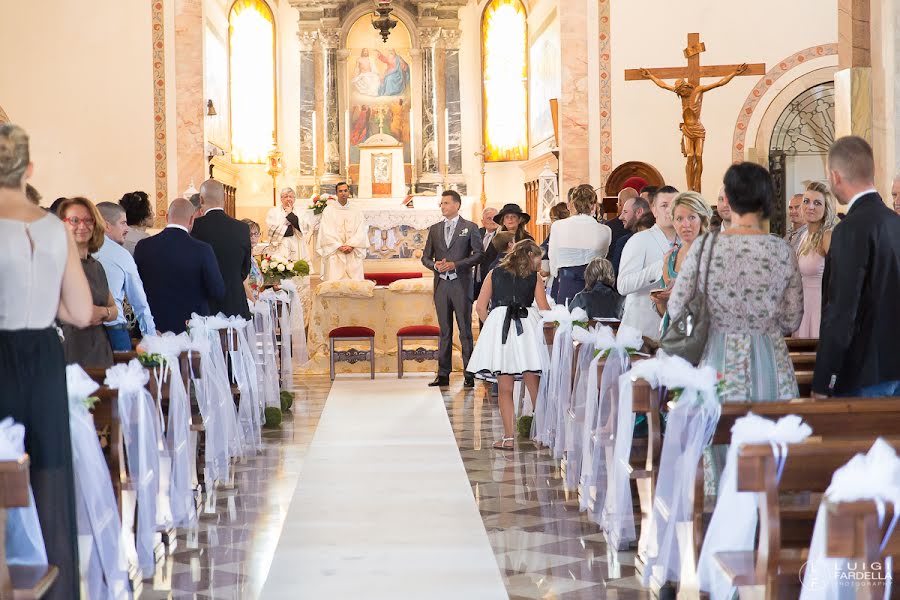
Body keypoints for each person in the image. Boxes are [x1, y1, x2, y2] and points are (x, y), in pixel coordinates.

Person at [0, 123, 93, 600]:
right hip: (41, 355)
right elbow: (78, 312)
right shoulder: (54, 228)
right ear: (29, 169)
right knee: (47, 472)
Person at [668, 163, 802, 401]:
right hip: (771, 360)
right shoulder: (781, 249)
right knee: (767, 434)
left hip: (718, 360)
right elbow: (792, 318)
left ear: (728, 198)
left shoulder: (705, 246)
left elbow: (677, 307)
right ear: (766, 199)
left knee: (721, 432)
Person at [813, 136, 900, 398]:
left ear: (835, 176)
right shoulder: (894, 223)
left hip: (865, 374)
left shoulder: (849, 229)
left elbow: (841, 311)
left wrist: (822, 380)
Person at [467, 240, 550, 449]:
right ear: (530, 255)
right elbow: (544, 308)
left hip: (500, 328)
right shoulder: (534, 276)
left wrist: (492, 326)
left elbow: (480, 307)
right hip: (526, 328)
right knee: (534, 383)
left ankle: (508, 438)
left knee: (504, 387)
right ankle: (542, 435)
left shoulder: (494, 273)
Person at [421, 190, 483, 388]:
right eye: (441, 203)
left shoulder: (470, 227)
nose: (443, 206)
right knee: (445, 331)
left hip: (461, 284)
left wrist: (456, 264)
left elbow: (478, 255)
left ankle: (469, 373)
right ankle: (443, 374)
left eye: (446, 203)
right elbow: (425, 257)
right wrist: (435, 266)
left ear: (457, 205)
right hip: (441, 286)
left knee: (465, 330)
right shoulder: (435, 229)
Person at [135, 198, 225, 334]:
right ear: (191, 219)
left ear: (166, 217)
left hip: (154, 327)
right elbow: (218, 291)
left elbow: (136, 287)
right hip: (191, 328)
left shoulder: (143, 246)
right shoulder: (202, 250)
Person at [56, 197, 117, 368]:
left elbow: (114, 310)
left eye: (88, 220)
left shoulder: (96, 266)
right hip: (69, 349)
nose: (82, 226)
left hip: (99, 348)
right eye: (74, 220)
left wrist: (103, 312)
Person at [617, 185, 678, 340]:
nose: (670, 210)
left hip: (674, 331)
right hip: (641, 330)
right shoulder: (640, 240)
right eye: (664, 205)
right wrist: (660, 268)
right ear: (654, 209)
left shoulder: (687, 242)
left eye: (676, 205)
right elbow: (623, 285)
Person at [94, 202, 156, 349]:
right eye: (123, 223)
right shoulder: (121, 255)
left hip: (82, 332)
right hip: (114, 329)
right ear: (106, 226)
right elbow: (139, 302)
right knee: (120, 371)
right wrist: (151, 337)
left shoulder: (80, 250)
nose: (127, 228)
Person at [651, 191, 713, 333]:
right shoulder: (671, 258)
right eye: (679, 218)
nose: (686, 224)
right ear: (673, 221)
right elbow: (664, 313)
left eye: (691, 217)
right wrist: (661, 300)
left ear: (702, 219)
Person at [191, 179, 252, 319]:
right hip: (235, 304)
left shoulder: (195, 227)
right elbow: (245, 269)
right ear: (224, 199)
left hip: (204, 305)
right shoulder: (242, 228)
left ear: (201, 199)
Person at [549, 184, 611, 305]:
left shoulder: (558, 226)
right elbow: (603, 257)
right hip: (595, 286)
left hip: (566, 283)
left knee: (566, 320)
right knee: (593, 322)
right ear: (593, 206)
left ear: (572, 204)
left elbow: (553, 260)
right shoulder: (605, 230)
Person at [793, 182, 837, 338]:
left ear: (826, 209)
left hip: (820, 308)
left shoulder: (827, 236)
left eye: (817, 203)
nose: (810, 207)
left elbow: (838, 279)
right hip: (803, 307)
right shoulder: (803, 236)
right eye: (806, 201)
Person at [317, 182, 368, 281]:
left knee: (354, 286)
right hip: (335, 250)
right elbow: (326, 231)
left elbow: (361, 230)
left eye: (345, 190)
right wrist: (339, 246)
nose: (343, 193)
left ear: (349, 192)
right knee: (334, 284)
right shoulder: (329, 210)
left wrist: (351, 245)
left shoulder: (356, 210)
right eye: (340, 191)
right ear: (336, 193)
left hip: (353, 250)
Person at [480, 203, 534, 279]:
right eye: (507, 217)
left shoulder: (527, 239)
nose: (510, 219)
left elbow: (532, 262)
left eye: (513, 216)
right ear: (503, 221)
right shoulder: (497, 239)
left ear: (519, 220)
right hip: (500, 279)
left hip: (522, 278)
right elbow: (489, 263)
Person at [610, 196, 651, 274]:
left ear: (639, 212)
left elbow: (615, 276)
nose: (620, 217)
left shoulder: (624, 242)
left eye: (625, 212)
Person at [265, 187, 307, 262]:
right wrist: (291, 229)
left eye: (290, 196)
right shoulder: (273, 212)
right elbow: (272, 228)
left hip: (297, 245)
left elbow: (303, 228)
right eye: (285, 197)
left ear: (294, 199)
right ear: (281, 199)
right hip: (280, 246)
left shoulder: (301, 212)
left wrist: (291, 215)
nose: (288, 199)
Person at [474, 206, 499, 300]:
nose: (493, 221)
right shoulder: (477, 233)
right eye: (489, 218)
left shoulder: (502, 235)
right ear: (482, 221)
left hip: (493, 278)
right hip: (477, 276)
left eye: (495, 218)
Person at [119, 190, 154, 254]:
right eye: (151, 210)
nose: (153, 214)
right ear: (144, 216)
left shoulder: (118, 236)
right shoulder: (147, 241)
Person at [241, 218, 264, 302]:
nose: (253, 237)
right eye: (250, 234)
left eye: (256, 234)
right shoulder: (243, 256)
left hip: (254, 301)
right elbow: (244, 285)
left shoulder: (252, 258)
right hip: (248, 304)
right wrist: (255, 303)